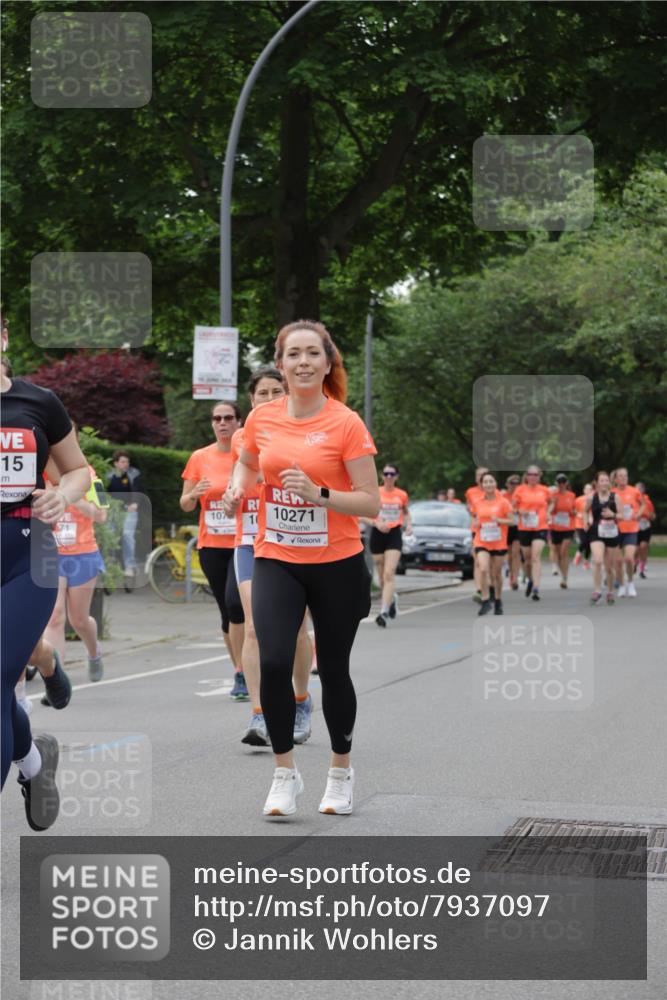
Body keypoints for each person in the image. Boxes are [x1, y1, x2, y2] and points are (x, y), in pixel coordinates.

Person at [225, 319, 379, 818]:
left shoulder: (346, 423)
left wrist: (320, 494)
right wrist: (237, 486)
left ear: (328, 362)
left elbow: (371, 502)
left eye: (313, 353)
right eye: (294, 354)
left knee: (333, 670)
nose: (304, 362)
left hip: (337, 562)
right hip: (277, 557)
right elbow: (248, 462)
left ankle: (340, 772)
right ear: (281, 363)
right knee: (272, 662)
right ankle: (284, 774)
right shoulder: (263, 418)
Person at [1, 315, 90, 829]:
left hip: (27, 551)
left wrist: (63, 496)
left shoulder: (39, 402)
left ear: (4, 337)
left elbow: (77, 469)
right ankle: (35, 765)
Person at [231, 366, 313, 746]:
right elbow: (238, 476)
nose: (268, 399)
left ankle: (301, 700)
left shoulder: (303, 432)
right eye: (261, 393)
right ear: (251, 401)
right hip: (251, 541)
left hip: (292, 541)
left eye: (275, 392)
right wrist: (233, 493)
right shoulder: (242, 438)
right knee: (253, 627)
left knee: (295, 628)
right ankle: (259, 714)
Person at [181, 402, 247, 699]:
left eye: (228, 418)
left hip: (242, 542)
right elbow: (185, 503)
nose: (222, 423)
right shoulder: (200, 457)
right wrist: (194, 494)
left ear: (239, 422)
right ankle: (240, 671)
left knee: (237, 605)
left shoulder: (247, 455)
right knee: (226, 610)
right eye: (217, 418)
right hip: (211, 546)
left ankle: (246, 669)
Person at [43, 435, 107, 682]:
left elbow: (101, 516)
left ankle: (94, 652)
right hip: (52, 554)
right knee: (55, 616)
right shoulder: (42, 474)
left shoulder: (90, 476)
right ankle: (56, 678)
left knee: (79, 619)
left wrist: (73, 497)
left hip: (83, 554)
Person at [364, 464, 411, 628]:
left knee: (389, 573)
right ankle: (392, 599)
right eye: (386, 474)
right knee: (382, 574)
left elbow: (406, 513)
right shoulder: (376, 493)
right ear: (382, 476)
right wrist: (376, 523)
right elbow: (362, 515)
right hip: (377, 533)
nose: (389, 477)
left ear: (397, 476)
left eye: (392, 474)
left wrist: (409, 525)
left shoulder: (402, 495)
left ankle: (383, 611)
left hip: (394, 534)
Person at [470, 472, 514, 616]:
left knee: (496, 573)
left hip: (498, 542)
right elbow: (474, 518)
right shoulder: (477, 502)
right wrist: (475, 523)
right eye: (485, 482)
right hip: (482, 540)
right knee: (483, 568)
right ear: (482, 485)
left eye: (491, 481)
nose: (488, 484)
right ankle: (485, 600)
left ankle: (498, 600)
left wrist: (500, 520)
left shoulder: (503, 502)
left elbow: (512, 521)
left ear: (495, 484)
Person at [512, 465, 550, 601]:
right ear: (526, 476)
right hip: (525, 528)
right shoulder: (520, 490)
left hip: (540, 526)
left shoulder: (544, 490)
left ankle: (536, 588)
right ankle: (530, 579)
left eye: (536, 474)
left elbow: (551, 503)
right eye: (530, 474)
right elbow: (512, 507)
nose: (533, 477)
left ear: (539, 476)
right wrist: (520, 511)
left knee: (535, 557)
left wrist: (548, 512)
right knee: (527, 560)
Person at [107, 450, 143, 592]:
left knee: (127, 536)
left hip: (129, 510)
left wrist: (135, 503)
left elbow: (138, 490)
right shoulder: (108, 475)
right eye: (122, 461)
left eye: (127, 461)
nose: (125, 464)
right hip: (112, 510)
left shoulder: (134, 474)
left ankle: (129, 567)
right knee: (110, 536)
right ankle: (109, 564)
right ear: (115, 463)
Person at [586, 471, 620, 605]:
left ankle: (610, 592)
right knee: (598, 561)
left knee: (609, 567)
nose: (604, 483)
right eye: (602, 480)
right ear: (597, 483)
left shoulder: (615, 497)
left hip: (611, 533)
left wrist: (613, 514)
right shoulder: (591, 498)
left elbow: (623, 515)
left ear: (609, 482)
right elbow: (584, 510)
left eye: (606, 480)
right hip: (596, 532)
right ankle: (597, 591)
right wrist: (585, 522)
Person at [612, 467, 644, 598]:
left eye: (625, 475)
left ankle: (630, 583)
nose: (623, 478)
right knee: (618, 561)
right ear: (615, 479)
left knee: (629, 558)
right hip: (615, 529)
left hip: (631, 528)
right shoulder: (612, 493)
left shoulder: (634, 491)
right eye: (620, 476)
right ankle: (621, 585)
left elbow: (643, 504)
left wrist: (638, 514)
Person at [548, 474, 576, 589]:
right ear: (556, 483)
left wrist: (574, 512)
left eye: (563, 482)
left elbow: (574, 509)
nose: (561, 484)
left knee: (564, 551)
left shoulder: (571, 495)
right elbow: (549, 511)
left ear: (566, 483)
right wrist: (553, 504)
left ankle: (565, 578)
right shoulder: (552, 495)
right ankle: (563, 575)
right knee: (559, 553)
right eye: (559, 482)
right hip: (556, 527)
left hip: (568, 526)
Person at [465, 467, 489, 603]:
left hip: (492, 532)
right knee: (478, 561)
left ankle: (490, 586)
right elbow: (470, 508)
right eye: (479, 475)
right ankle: (479, 589)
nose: (481, 477)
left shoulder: (494, 492)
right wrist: (473, 517)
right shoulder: (471, 492)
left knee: (489, 563)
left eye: (484, 475)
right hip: (476, 530)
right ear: (476, 478)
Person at [502, 475, 521, 590]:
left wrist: (518, 510)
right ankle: (511, 575)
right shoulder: (503, 496)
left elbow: (525, 508)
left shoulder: (520, 496)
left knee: (516, 552)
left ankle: (515, 578)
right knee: (509, 554)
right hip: (506, 527)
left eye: (516, 483)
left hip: (518, 525)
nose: (514, 486)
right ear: (507, 484)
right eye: (512, 483)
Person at [635, 482, 656, 579]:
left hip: (646, 526)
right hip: (634, 526)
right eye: (636, 489)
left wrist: (650, 515)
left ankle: (642, 569)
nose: (638, 491)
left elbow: (653, 515)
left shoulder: (648, 502)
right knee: (636, 549)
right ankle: (635, 562)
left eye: (640, 489)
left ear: (643, 490)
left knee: (643, 546)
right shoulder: (632, 500)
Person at [573, 483, 593, 569]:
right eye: (587, 489)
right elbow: (574, 510)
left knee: (589, 542)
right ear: (584, 490)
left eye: (590, 489)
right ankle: (578, 554)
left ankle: (586, 561)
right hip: (580, 524)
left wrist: (591, 518)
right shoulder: (579, 500)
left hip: (591, 524)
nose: (588, 491)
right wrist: (579, 514)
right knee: (584, 541)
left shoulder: (594, 499)